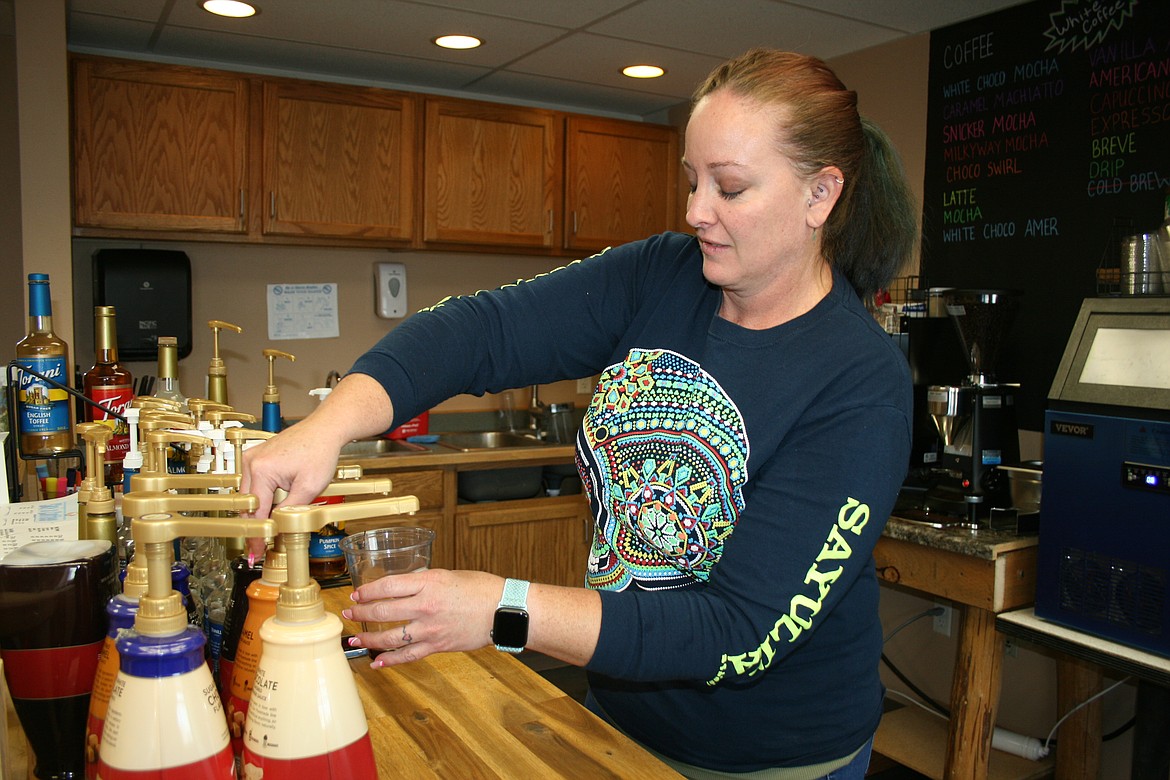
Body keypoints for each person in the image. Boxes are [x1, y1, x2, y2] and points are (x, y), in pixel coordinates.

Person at [242, 48, 917, 779]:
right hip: (617, 717)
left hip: (771, 756)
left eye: (730, 187)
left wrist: (503, 608)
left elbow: (735, 631)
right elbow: (482, 331)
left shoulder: (859, 384)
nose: (695, 212)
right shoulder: (663, 274)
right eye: (693, 180)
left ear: (820, 196)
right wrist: (329, 424)